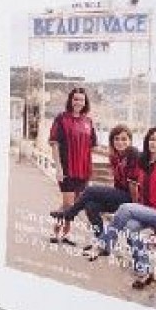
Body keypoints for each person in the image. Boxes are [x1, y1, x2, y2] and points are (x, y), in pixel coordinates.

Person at [96, 126, 156, 289]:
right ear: (147, 141)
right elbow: (136, 187)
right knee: (130, 228)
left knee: (125, 208)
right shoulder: (143, 164)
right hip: (145, 211)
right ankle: (144, 271)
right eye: (153, 139)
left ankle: (105, 245)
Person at [50, 123, 140, 252]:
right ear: (112, 141)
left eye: (124, 139)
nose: (120, 142)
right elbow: (117, 183)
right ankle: (103, 244)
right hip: (121, 195)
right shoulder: (115, 157)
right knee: (91, 206)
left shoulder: (133, 154)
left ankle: (70, 214)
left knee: (91, 190)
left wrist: (135, 207)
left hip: (132, 198)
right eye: (116, 139)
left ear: (130, 140)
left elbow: (134, 184)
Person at [48, 87, 97, 246]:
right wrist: (59, 168)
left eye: (81, 100)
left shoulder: (88, 122)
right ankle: (56, 233)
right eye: (75, 99)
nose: (78, 102)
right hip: (67, 168)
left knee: (74, 205)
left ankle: (65, 234)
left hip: (83, 170)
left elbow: (92, 146)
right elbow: (54, 144)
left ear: (85, 102)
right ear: (70, 100)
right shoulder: (61, 119)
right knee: (68, 204)